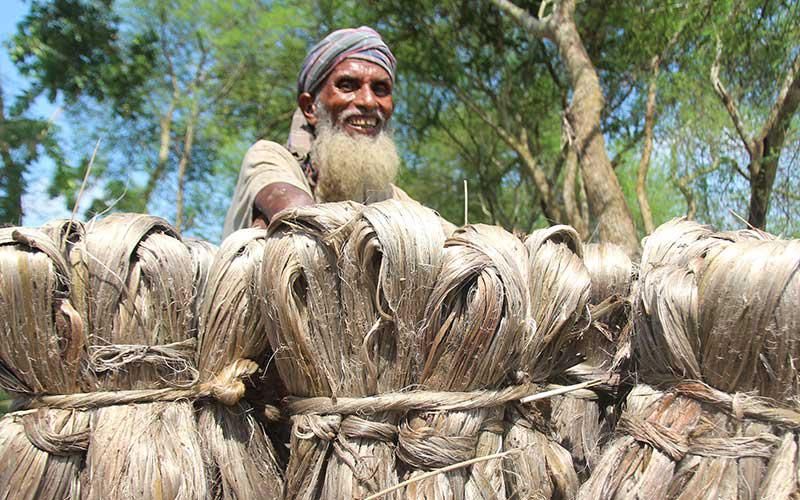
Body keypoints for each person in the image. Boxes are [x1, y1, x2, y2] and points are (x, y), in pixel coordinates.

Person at [224, 26, 438, 237]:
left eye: (380, 89)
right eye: (347, 85)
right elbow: (302, 218)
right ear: (310, 108)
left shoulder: (388, 195)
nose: (368, 101)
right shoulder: (270, 158)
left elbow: (455, 241)